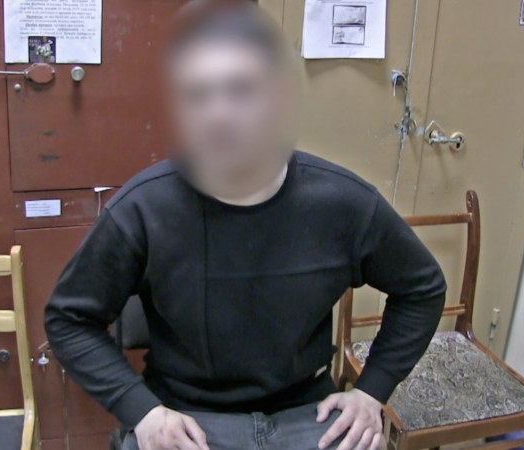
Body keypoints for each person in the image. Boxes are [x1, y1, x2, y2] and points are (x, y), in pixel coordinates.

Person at [44, 2, 446, 449]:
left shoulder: (343, 203)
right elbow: (68, 318)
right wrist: (141, 411)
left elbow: (422, 288)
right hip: (185, 418)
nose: (218, 114)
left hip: (307, 413)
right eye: (198, 95)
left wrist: (372, 391)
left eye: (240, 90)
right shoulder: (142, 209)